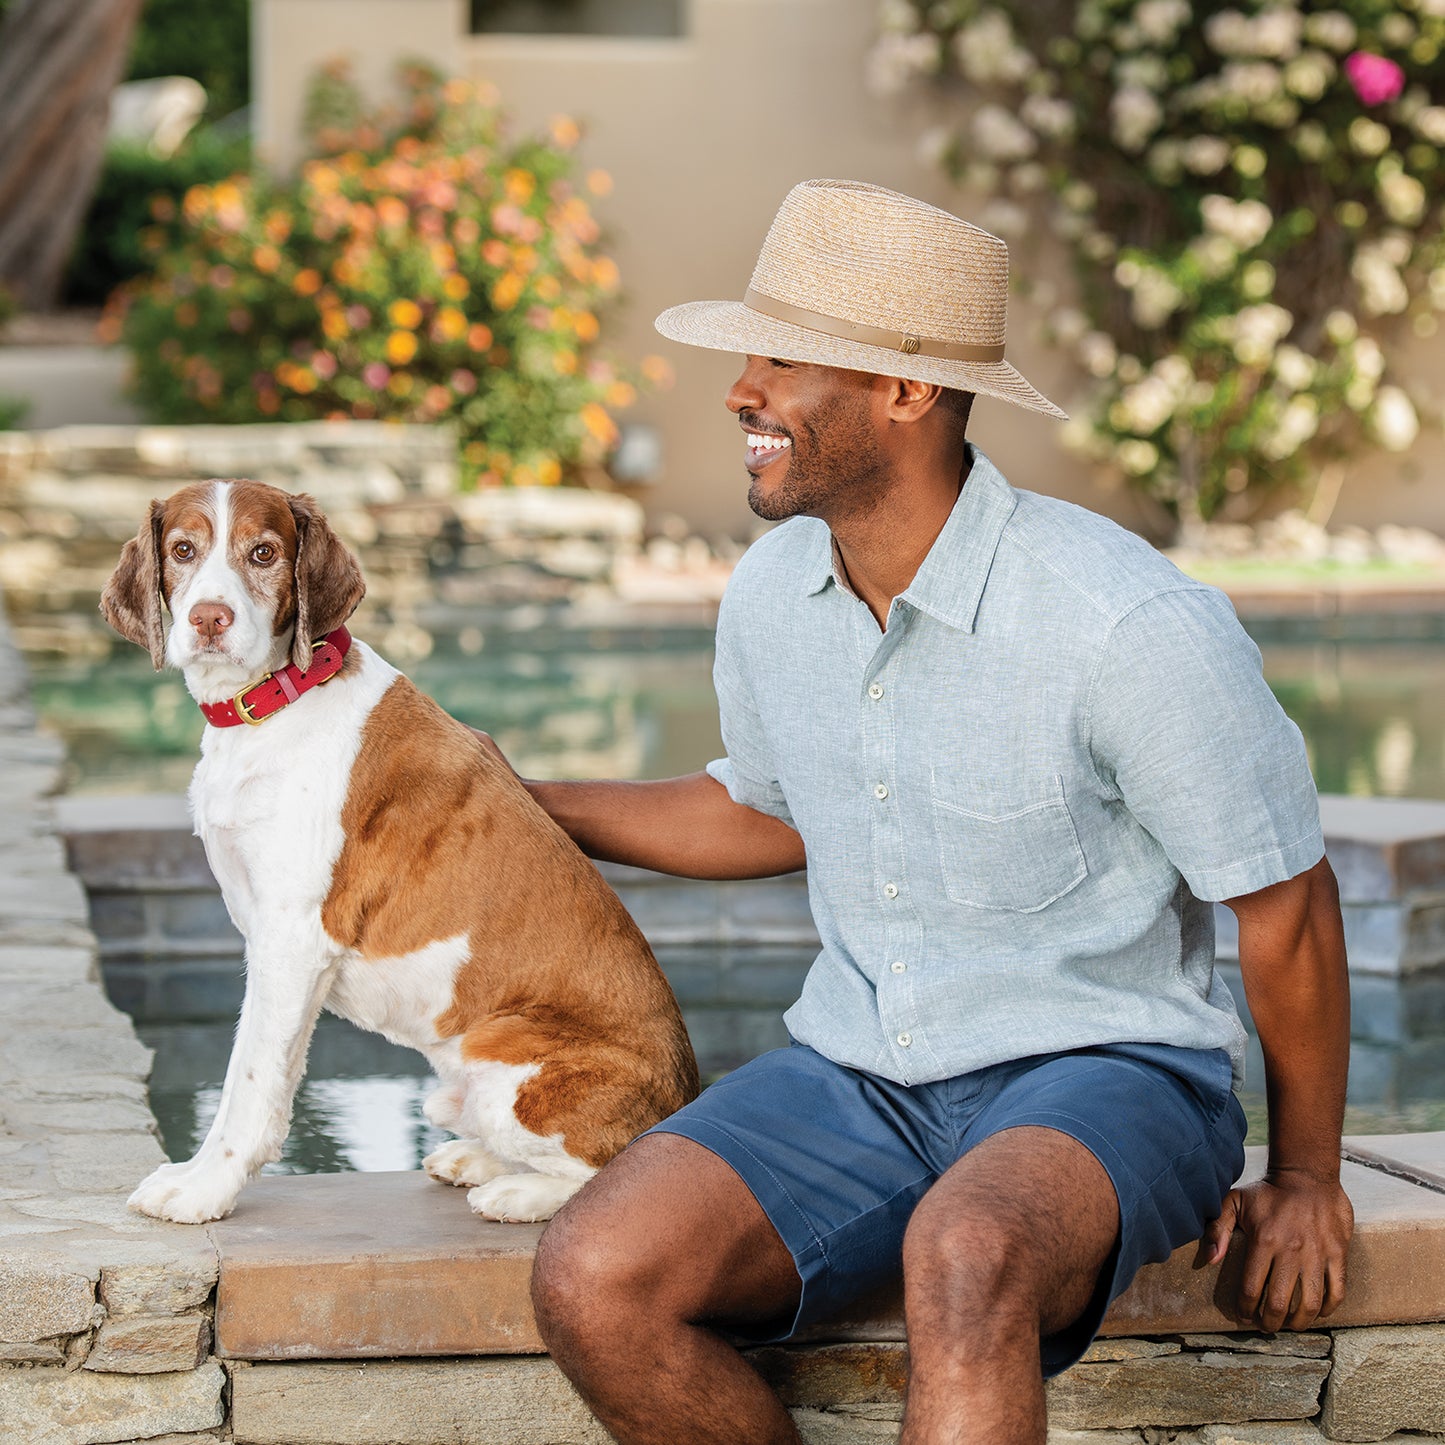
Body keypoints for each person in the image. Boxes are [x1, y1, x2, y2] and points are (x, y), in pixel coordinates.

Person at [496, 179, 1354, 1445]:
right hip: (861, 1069)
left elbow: (1283, 905)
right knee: (593, 1274)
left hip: (1108, 1071)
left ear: (905, 392)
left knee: (965, 1248)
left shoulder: (1122, 622)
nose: (741, 390)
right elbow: (768, 810)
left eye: (782, 359)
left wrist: (1302, 1176)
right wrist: (519, 806)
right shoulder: (771, 589)